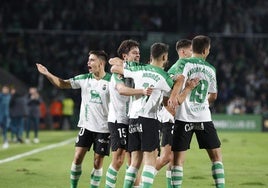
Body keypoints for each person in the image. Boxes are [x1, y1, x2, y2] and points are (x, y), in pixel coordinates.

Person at [110, 42, 198, 188]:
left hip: (132, 119)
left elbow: (114, 67)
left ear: (150, 56)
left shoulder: (138, 69)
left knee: (134, 163)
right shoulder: (164, 77)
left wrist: (120, 63)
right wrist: (184, 84)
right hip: (149, 119)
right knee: (150, 161)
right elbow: (175, 98)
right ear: (165, 57)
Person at [36, 50, 111, 188]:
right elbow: (62, 84)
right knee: (77, 158)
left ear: (101, 63)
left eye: (92, 60)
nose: (88, 62)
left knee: (97, 162)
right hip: (86, 126)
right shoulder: (84, 79)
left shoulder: (112, 81)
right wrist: (47, 74)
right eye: (88, 60)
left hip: (104, 128)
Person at [168, 35, 225, 188]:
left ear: (192, 48)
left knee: (178, 160)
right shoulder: (211, 69)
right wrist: (202, 103)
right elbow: (214, 95)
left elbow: (173, 78)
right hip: (203, 117)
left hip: (183, 117)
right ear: (206, 50)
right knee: (216, 157)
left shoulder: (183, 63)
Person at [105, 39, 152, 188]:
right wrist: (142, 91)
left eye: (139, 53)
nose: (138, 55)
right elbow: (122, 90)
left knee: (134, 159)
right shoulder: (118, 73)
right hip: (118, 120)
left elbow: (114, 61)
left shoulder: (137, 71)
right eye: (134, 53)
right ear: (125, 56)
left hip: (131, 119)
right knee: (118, 159)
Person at [155, 39, 192, 187]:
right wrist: (188, 88)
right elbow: (169, 99)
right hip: (168, 118)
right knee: (167, 158)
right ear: (183, 52)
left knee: (173, 159)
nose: (193, 53)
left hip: (174, 118)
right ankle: (140, 182)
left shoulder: (184, 68)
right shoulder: (178, 68)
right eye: (191, 50)